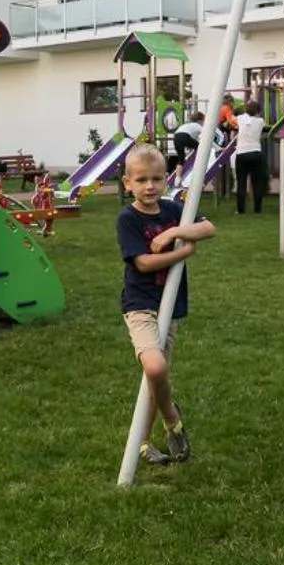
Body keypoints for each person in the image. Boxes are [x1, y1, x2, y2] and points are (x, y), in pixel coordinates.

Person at [115, 145, 216, 465]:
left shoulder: (174, 210)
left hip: (169, 306)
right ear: (126, 183)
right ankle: (173, 419)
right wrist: (183, 252)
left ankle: (143, 444)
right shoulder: (128, 218)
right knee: (156, 368)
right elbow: (143, 263)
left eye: (157, 179)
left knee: (153, 379)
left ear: (166, 180)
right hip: (141, 305)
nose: (149, 186)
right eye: (141, 180)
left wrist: (174, 230)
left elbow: (208, 228)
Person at [233, 99, 268, 215]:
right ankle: (257, 209)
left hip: (241, 153)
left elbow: (233, 117)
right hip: (256, 152)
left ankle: (240, 210)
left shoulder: (240, 118)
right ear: (258, 111)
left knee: (241, 183)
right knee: (256, 182)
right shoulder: (261, 121)